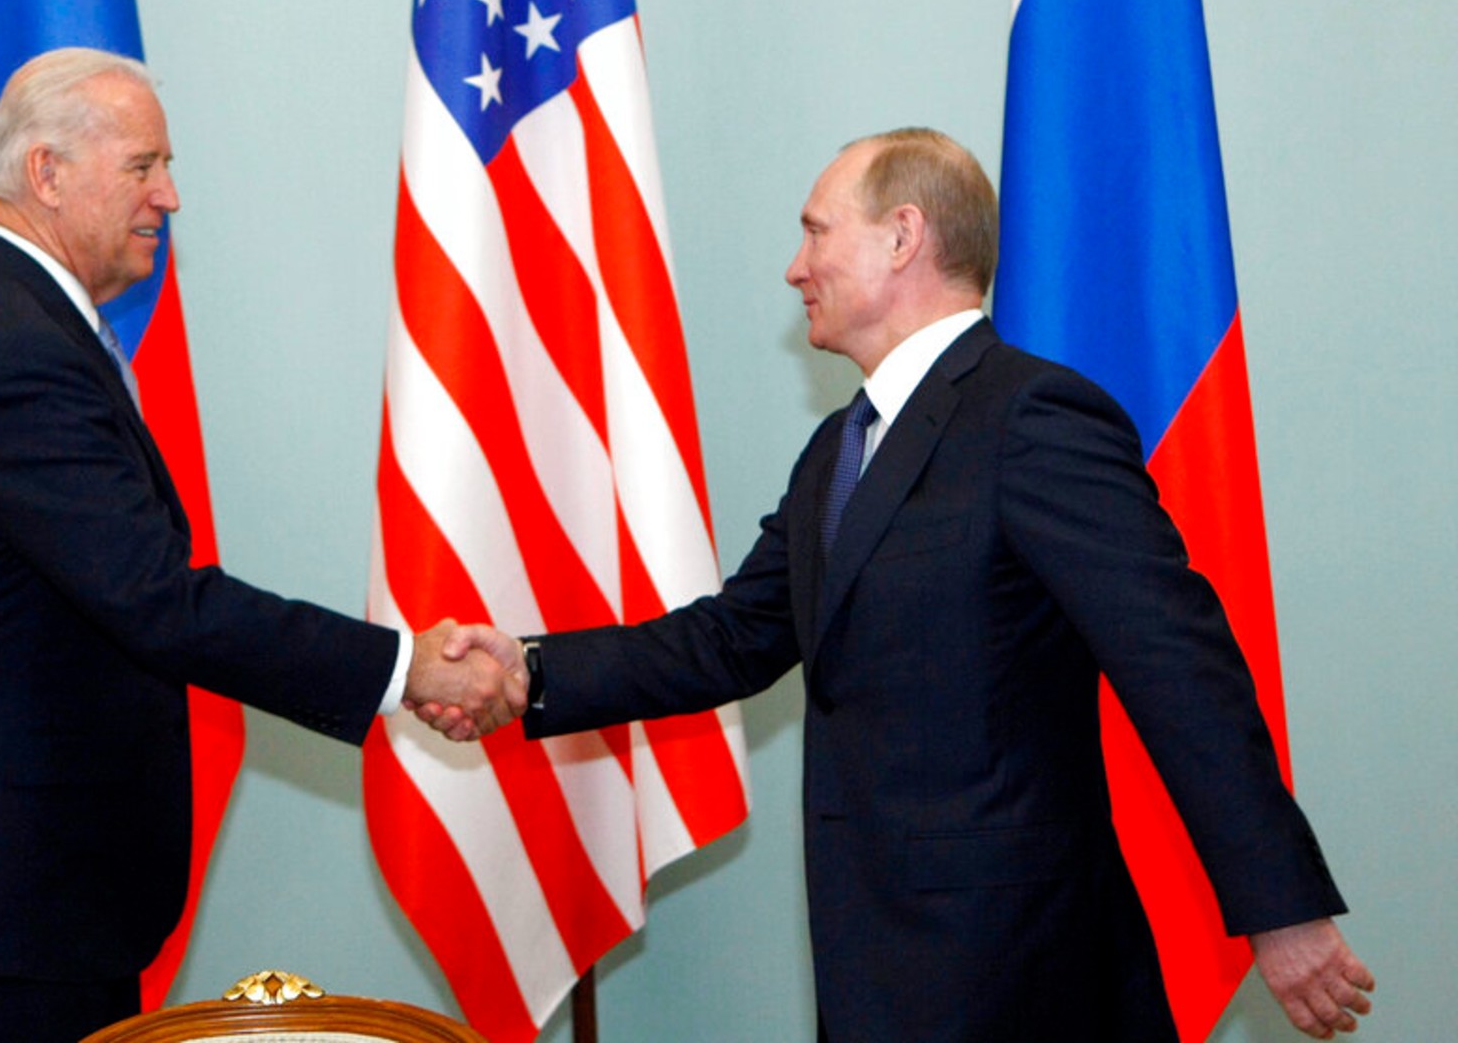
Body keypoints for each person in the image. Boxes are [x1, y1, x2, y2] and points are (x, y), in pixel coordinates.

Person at [435, 129, 1374, 1040]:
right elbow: (729, 639)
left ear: (903, 236)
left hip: (1016, 971)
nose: (795, 268)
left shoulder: (1034, 416)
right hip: (870, 961)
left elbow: (1178, 664)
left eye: (814, 231)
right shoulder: (838, 451)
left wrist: (1278, 904)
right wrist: (527, 670)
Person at [0, 48, 518, 1043]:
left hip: (41, 900)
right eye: (143, 166)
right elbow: (160, 602)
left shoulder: (33, 330)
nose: (169, 196)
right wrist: (402, 665)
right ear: (47, 175)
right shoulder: (14, 354)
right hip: (10, 908)